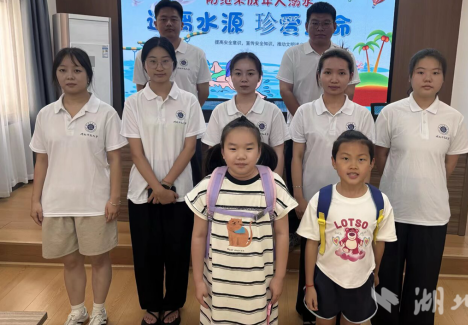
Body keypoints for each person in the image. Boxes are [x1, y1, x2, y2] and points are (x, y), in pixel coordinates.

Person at [372, 49, 468, 325]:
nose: (428, 78)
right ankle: (385, 321)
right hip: (393, 211)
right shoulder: (391, 113)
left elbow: (449, 164)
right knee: (386, 277)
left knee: (424, 281)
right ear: (410, 76)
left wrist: (428, 180)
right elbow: (381, 158)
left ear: (443, 79)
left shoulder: (454, 118)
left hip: (432, 214)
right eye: (421, 72)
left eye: (435, 72)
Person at [29, 48, 127, 325]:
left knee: (99, 259)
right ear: (55, 75)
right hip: (57, 202)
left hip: (94, 202)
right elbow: (41, 160)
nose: (69, 76)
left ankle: (99, 311)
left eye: (77, 70)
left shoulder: (105, 113)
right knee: (70, 261)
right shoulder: (46, 114)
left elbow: (115, 159)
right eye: (62, 70)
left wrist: (114, 199)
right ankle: (77, 311)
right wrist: (35, 199)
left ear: (88, 74)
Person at [121, 37, 206, 325]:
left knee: (177, 251)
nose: (159, 67)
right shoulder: (133, 103)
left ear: (174, 63)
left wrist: (167, 185)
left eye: (165, 61)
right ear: (144, 65)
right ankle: (151, 305)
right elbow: (135, 152)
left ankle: (173, 304)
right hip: (142, 191)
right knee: (146, 252)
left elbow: (190, 148)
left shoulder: (188, 100)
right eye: (152, 61)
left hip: (179, 192)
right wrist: (157, 188)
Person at [290, 48, 375, 324]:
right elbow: (297, 156)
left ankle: (344, 308)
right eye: (328, 72)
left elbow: (366, 160)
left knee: (343, 253)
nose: (334, 79)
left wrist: (364, 199)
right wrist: (299, 195)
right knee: (311, 251)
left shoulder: (361, 114)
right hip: (313, 198)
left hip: (350, 200)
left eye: (341, 73)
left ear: (351, 77)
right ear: (318, 76)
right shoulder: (305, 112)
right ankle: (310, 308)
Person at [186, 117, 298, 325]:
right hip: (218, 287)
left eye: (248, 148)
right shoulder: (208, 187)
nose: (241, 155)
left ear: (259, 151)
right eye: (233, 148)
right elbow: (198, 236)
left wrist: (279, 277)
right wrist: (198, 280)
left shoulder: (273, 185)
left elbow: (282, 234)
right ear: (222, 152)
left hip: (259, 286)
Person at [277, 1, 360, 249]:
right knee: (297, 177)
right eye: (315, 23)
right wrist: (307, 117)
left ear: (335, 26)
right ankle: (297, 229)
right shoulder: (293, 53)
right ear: (306, 26)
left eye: (326, 23)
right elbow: (286, 90)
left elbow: (350, 91)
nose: (320, 28)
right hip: (299, 128)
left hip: (338, 128)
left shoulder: (345, 56)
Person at [298, 130, 397, 325]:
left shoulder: (380, 202)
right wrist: (309, 285)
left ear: (372, 163)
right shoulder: (321, 199)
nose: (353, 165)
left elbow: (380, 243)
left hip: (362, 278)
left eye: (361, 159)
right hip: (326, 276)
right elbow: (311, 244)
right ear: (334, 162)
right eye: (345, 158)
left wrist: (375, 272)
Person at [132, 0, 212, 185]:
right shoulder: (142, 55)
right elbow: (141, 90)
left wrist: (186, 113)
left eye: (174, 19)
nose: (169, 23)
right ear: (155, 24)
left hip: (187, 128)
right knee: (153, 175)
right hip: (153, 128)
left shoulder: (197, 54)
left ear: (182, 24)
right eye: (163, 19)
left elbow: (203, 91)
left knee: (190, 179)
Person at [202, 52, 290, 175]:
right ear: (231, 76)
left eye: (250, 74)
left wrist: (273, 182)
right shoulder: (219, 111)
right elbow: (214, 154)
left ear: (259, 77)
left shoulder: (273, 111)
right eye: (238, 74)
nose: (244, 79)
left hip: (263, 180)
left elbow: (278, 153)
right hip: (227, 180)